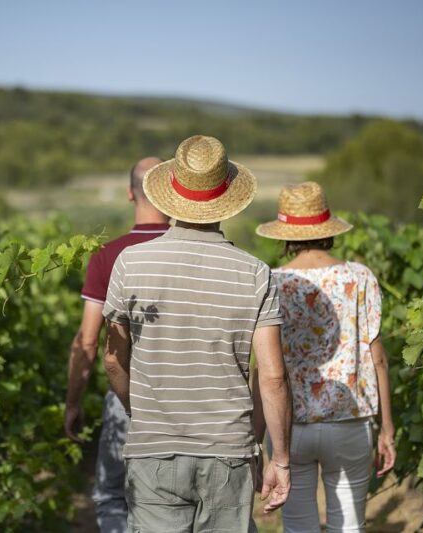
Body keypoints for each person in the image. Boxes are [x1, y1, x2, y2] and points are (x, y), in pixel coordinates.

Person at [102, 135, 292, 532]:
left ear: (170, 193)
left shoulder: (129, 263)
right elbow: (273, 376)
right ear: (227, 199)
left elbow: (114, 359)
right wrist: (281, 459)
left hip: (152, 452)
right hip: (228, 454)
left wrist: (143, 411)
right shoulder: (256, 273)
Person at [254, 181, 396, 533]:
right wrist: (388, 429)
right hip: (349, 421)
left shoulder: (272, 283)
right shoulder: (359, 278)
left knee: (299, 526)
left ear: (285, 233)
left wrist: (256, 437)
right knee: (348, 526)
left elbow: (264, 369)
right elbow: (378, 359)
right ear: (327, 228)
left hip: (290, 427)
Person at [64, 157, 170, 533]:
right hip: (190, 400)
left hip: (128, 398)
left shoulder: (108, 255)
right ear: (171, 192)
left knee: (112, 497)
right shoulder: (193, 253)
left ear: (130, 193)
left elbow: (88, 340)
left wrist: (74, 401)